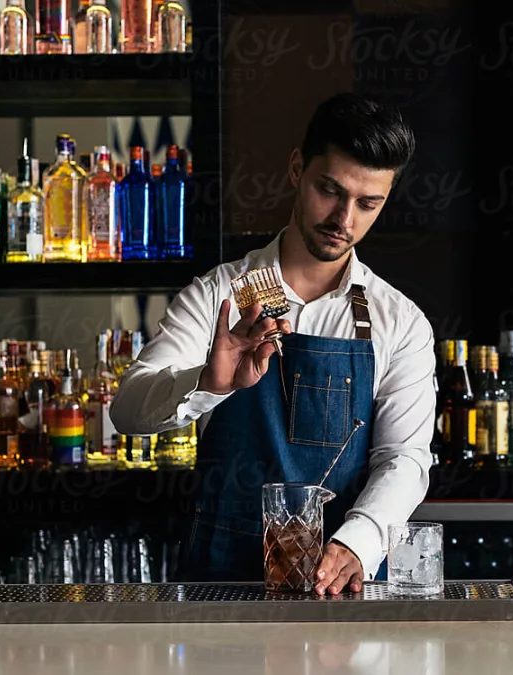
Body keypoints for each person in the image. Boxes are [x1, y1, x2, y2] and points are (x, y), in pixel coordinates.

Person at [110, 93, 436, 596]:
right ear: (296, 169)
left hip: (342, 588)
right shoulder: (217, 294)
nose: (344, 219)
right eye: (330, 190)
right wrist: (206, 382)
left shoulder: (400, 321)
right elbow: (128, 410)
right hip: (221, 584)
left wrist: (359, 541)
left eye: (368, 203)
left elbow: (405, 458)